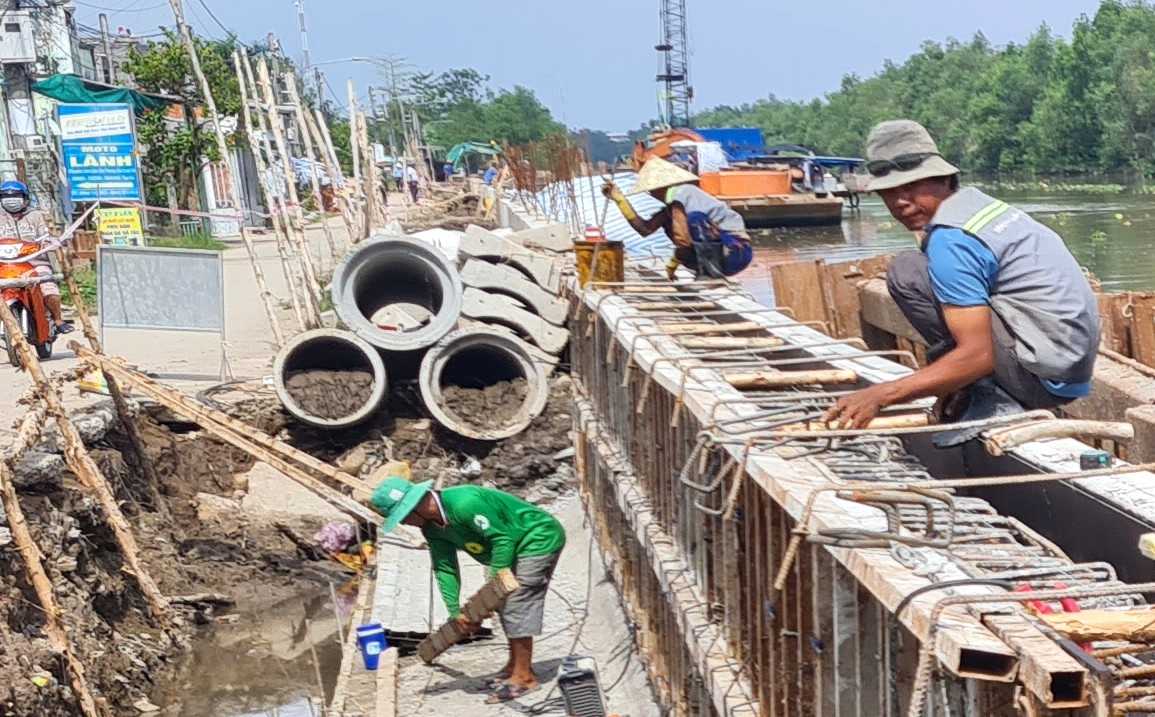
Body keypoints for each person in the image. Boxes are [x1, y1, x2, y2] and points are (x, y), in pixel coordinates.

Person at [823, 120, 1099, 440]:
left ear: (943, 178)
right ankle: (972, 386)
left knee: (907, 272)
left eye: (912, 186)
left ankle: (991, 396)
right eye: (889, 192)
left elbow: (979, 356)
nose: (901, 202)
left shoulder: (951, 240)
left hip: (1041, 381)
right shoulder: (982, 208)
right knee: (919, 268)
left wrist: (881, 394)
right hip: (1071, 373)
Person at [371, 476, 566, 703]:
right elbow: (445, 567)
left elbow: (503, 538)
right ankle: (514, 666)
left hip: (537, 538)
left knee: (516, 601)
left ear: (415, 507)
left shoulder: (465, 504)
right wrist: (455, 612)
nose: (404, 523)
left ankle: (524, 677)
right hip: (512, 545)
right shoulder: (432, 528)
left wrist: (495, 582)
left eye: (403, 517)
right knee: (504, 602)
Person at [602, 156, 753, 280]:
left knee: (694, 219)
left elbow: (683, 239)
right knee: (675, 224)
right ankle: (706, 271)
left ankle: (710, 274)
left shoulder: (681, 194)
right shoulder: (671, 208)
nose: (652, 195)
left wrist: (675, 260)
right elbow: (645, 229)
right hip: (720, 255)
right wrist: (619, 199)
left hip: (735, 251)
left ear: (659, 188)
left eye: (651, 191)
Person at [0, 181, 72, 335]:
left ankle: (58, 320)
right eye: (6, 196)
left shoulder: (36, 215)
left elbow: (45, 235)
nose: (11, 199)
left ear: (25, 198)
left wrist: (51, 242)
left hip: (35, 262)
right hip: (6, 264)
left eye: (16, 196)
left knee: (49, 289)